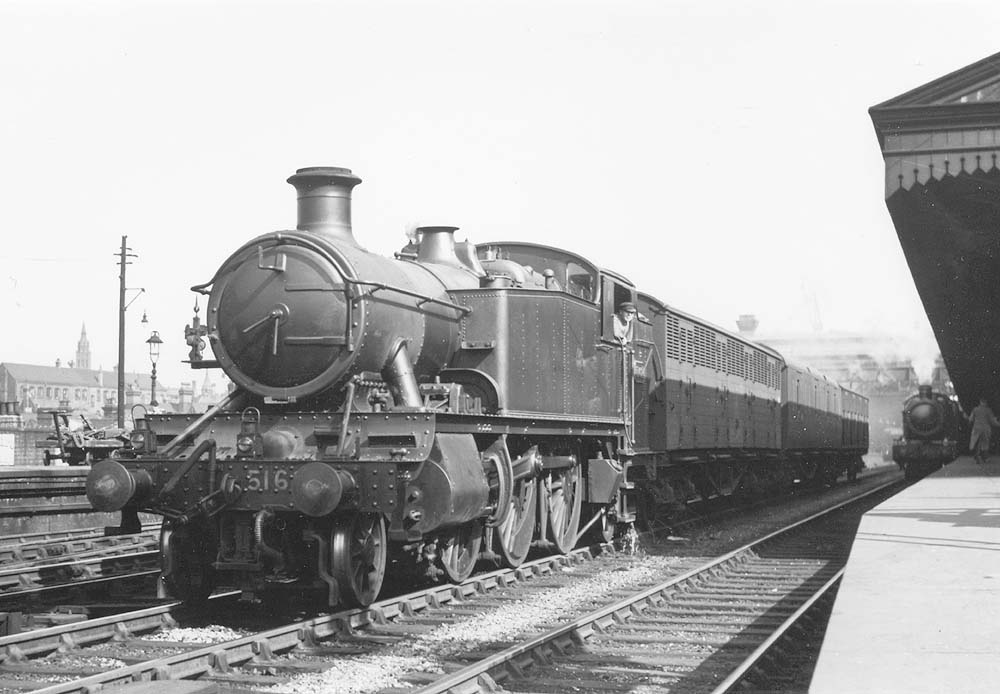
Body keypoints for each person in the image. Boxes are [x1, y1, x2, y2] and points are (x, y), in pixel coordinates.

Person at [968, 397, 999, 464]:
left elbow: (970, 419)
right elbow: (992, 421)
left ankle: (977, 455)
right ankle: (985, 458)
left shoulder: (975, 409)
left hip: (976, 428)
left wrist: (970, 423)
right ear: (986, 403)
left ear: (980, 402)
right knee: (985, 443)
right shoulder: (988, 410)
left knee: (975, 442)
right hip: (985, 429)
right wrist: (998, 424)